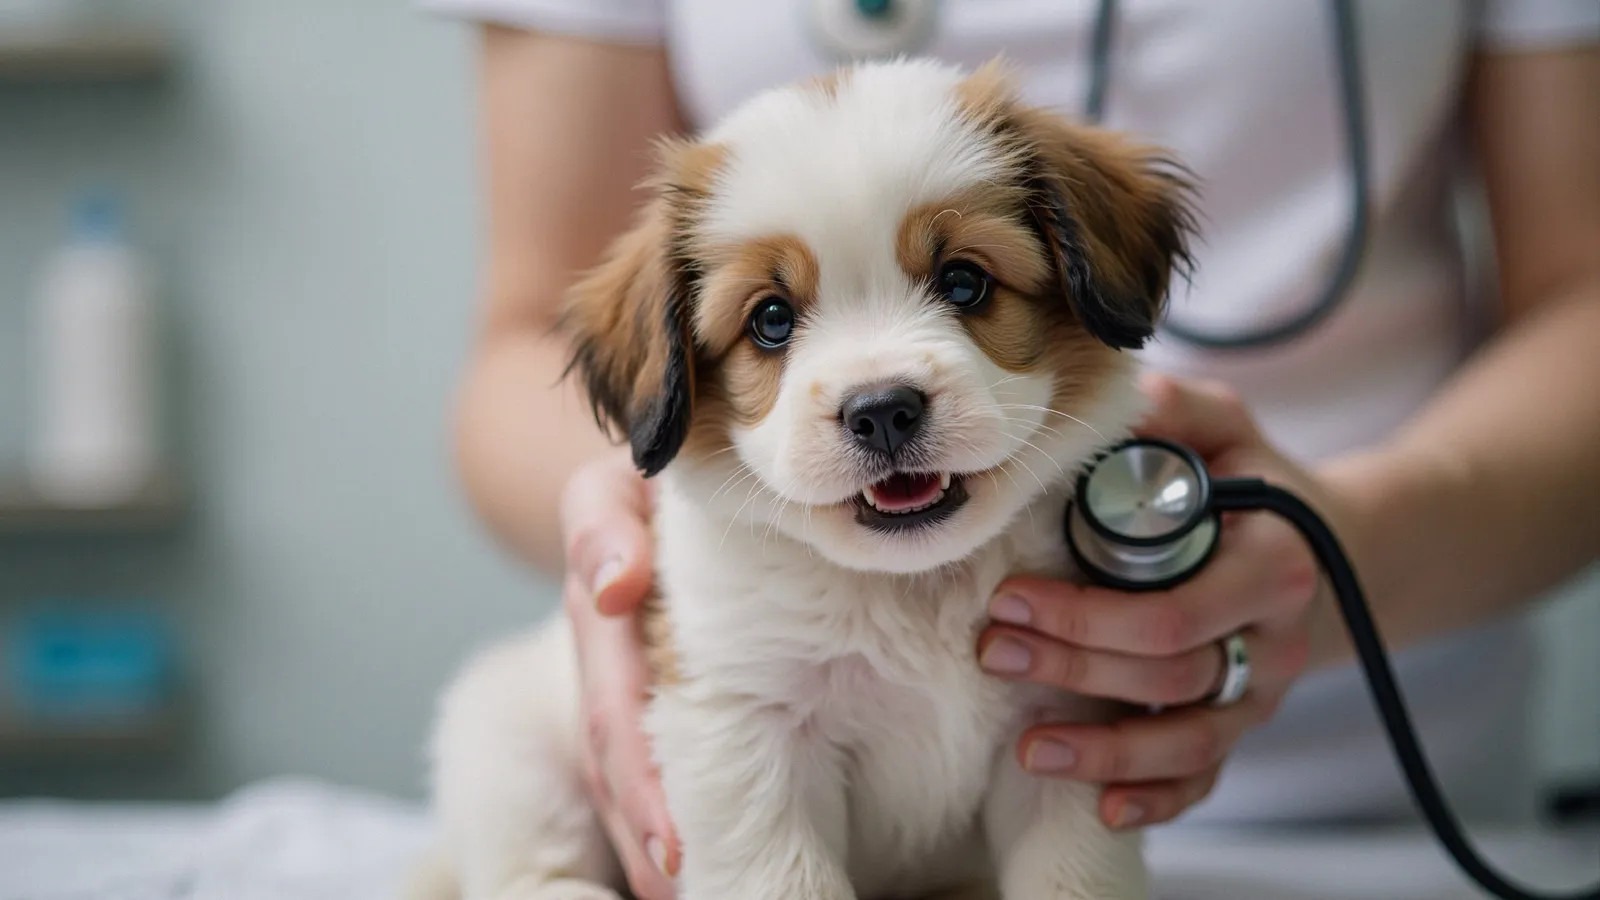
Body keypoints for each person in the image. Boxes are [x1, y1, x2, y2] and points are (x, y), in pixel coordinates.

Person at [424, 1, 1600, 896]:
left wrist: (1362, 550)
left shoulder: (1071, 500)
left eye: (966, 280)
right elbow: (520, 336)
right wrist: (610, 539)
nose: (877, 394)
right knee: (501, 727)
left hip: (1393, 803)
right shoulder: (725, 545)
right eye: (770, 322)